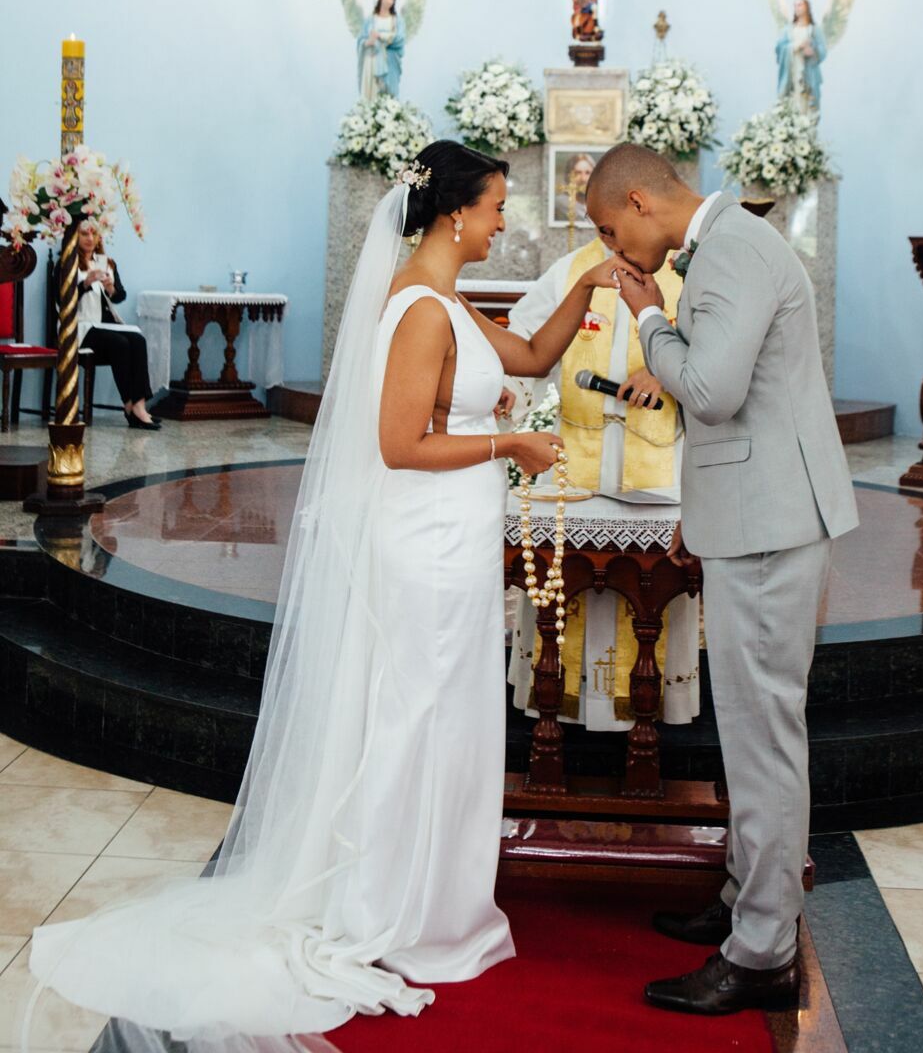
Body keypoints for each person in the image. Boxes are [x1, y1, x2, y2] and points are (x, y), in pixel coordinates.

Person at [28, 140, 630, 1043]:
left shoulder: (445, 301)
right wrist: (510, 445)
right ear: (456, 213)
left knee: (444, 711)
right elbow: (398, 446)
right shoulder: (421, 310)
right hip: (422, 537)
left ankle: (430, 894)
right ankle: (393, 901)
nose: (505, 220)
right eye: (498, 205)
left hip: (452, 537)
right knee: (416, 713)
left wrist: (590, 284)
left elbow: (534, 357)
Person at [585, 142, 858, 1018]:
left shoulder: (732, 248)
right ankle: (746, 902)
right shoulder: (726, 243)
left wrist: (650, 318)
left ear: (638, 201)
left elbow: (708, 389)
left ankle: (762, 951)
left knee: (763, 735)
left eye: (606, 229)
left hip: (771, 521)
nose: (614, 250)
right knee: (748, 728)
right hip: (763, 513)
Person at [505, 237, 700, 732]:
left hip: (656, 468)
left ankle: (646, 704)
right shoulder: (574, 268)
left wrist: (666, 370)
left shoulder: (686, 272)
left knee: (649, 588)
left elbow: (714, 356)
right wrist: (510, 393)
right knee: (566, 582)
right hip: (578, 460)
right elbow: (527, 339)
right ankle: (562, 698)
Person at [75, 222, 158, 429]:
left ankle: (139, 405)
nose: (90, 238)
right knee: (120, 343)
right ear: (74, 237)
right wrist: (86, 283)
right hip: (84, 326)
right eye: (84, 233)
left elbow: (120, 295)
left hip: (108, 324)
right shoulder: (68, 264)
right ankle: (129, 405)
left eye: (94, 233)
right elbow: (63, 298)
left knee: (138, 340)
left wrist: (111, 287)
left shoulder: (107, 263)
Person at [358, 0, 405, 99]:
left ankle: (389, 114)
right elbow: (361, 39)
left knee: (389, 91)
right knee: (372, 91)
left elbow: (400, 39)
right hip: (372, 59)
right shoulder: (370, 20)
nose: (390, 1)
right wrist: (368, 42)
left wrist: (381, 36)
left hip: (389, 60)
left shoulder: (396, 21)